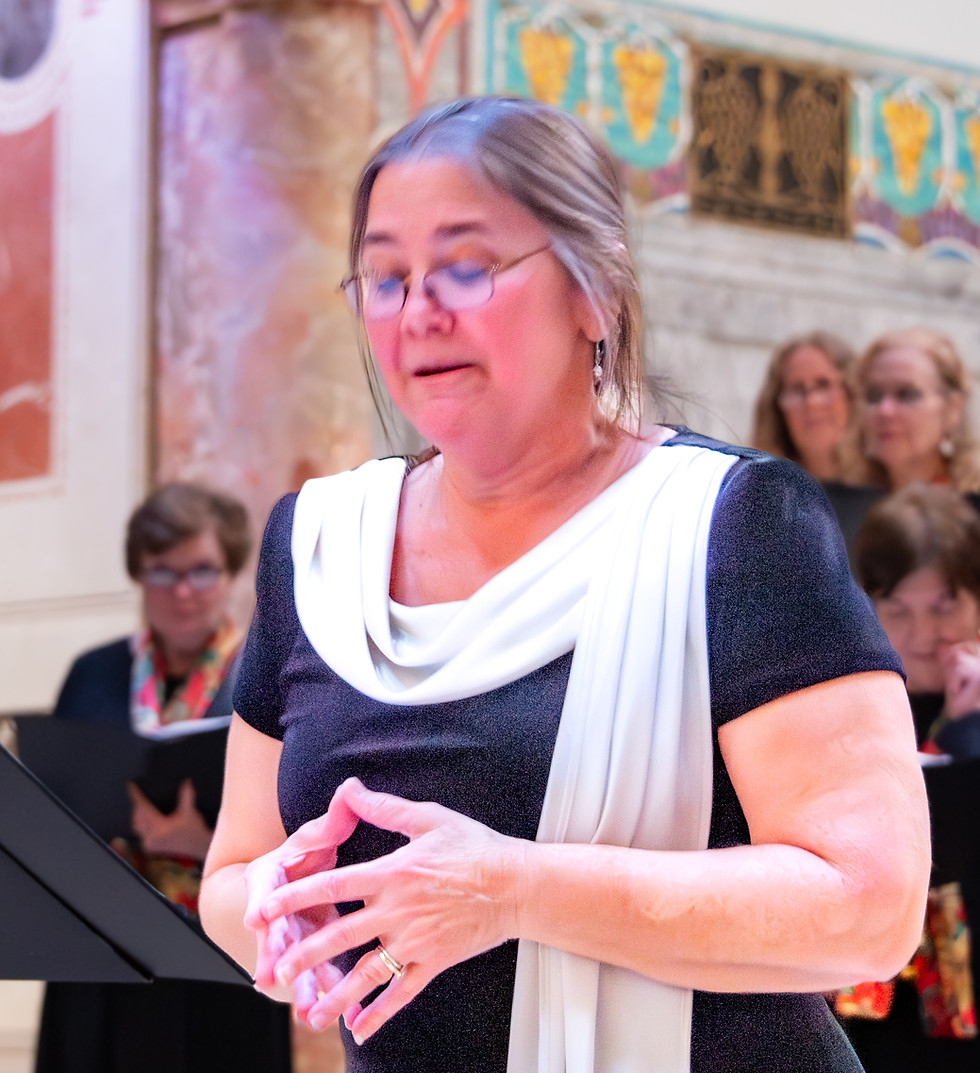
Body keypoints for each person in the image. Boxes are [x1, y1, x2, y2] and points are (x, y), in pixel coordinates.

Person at [199, 96, 930, 1073]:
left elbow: (868, 910)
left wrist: (511, 890)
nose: (418, 310)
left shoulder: (733, 523)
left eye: (465, 264)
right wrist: (280, 914)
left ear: (595, 290)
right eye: (384, 276)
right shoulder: (319, 546)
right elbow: (231, 877)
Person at [34, 483, 292, 1073]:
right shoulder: (94, 672)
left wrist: (207, 845)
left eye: (201, 571)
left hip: (218, 955)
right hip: (101, 954)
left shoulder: (265, 671)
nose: (181, 591)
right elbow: (56, 794)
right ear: (138, 576)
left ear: (229, 572)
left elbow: (306, 824)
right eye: (161, 572)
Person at [835, 483, 980, 1069]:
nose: (922, 634)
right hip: (877, 997)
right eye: (898, 609)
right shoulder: (851, 696)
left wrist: (970, 734)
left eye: (944, 606)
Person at [854, 326, 980, 494]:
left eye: (908, 394)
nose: (885, 410)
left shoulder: (970, 508)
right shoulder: (843, 500)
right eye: (874, 395)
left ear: (953, 408)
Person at [750, 330, 856, 484]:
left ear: (852, 393)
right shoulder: (759, 492)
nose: (811, 401)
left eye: (823, 384)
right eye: (797, 389)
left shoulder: (887, 489)